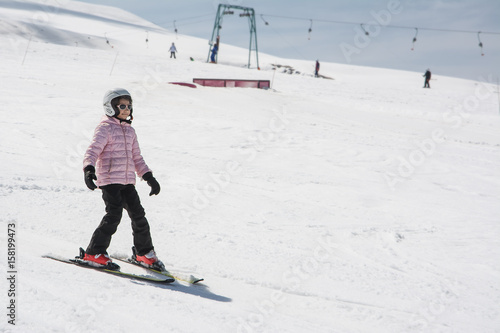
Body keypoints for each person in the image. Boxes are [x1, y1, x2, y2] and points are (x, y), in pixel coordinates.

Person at [81, 88, 164, 271]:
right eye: (122, 105)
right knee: (113, 215)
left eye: (129, 105)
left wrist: (149, 177)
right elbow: (93, 150)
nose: (127, 109)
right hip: (110, 181)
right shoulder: (105, 128)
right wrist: (89, 169)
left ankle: (144, 253)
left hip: (127, 182)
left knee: (139, 216)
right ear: (110, 107)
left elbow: (137, 158)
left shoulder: (130, 131)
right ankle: (94, 252)